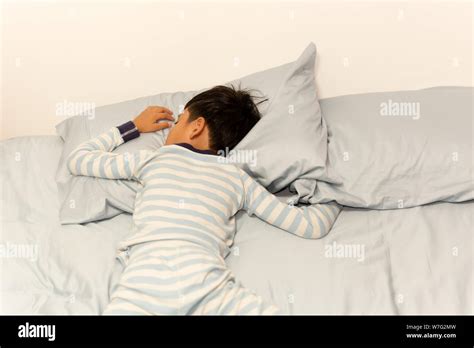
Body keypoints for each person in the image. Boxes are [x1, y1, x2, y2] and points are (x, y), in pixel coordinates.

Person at [67, 85, 342, 315]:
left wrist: (132, 127)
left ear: (196, 126)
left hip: (143, 283)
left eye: (177, 121)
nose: (171, 128)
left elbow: (79, 159)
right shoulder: (236, 177)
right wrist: (336, 197)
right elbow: (310, 226)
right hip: (207, 288)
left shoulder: (154, 159)